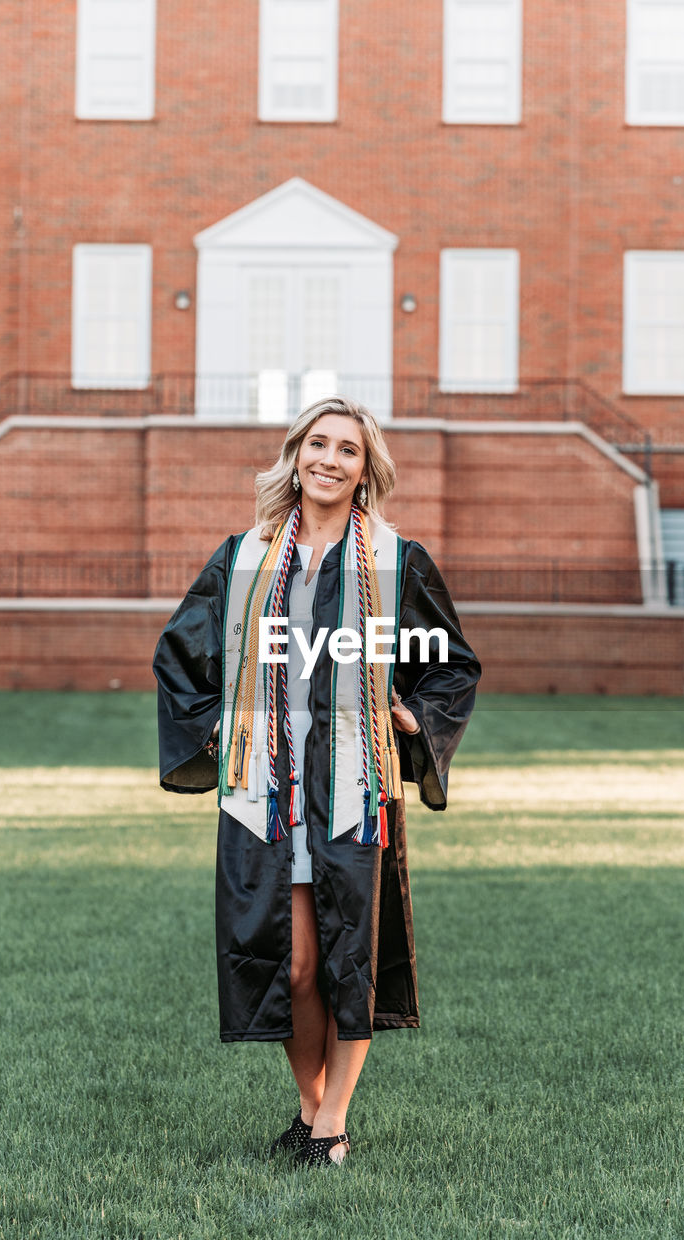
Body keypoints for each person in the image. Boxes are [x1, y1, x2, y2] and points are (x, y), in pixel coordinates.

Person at [153, 395, 480, 1167]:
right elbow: (180, 655)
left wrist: (416, 720)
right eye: (319, 445)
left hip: (353, 784)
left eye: (349, 451)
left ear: (367, 471)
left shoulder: (395, 560)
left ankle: (330, 1126)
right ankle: (311, 1111)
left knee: (348, 960)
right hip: (264, 784)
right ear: (296, 454)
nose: (330, 461)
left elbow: (451, 667)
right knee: (291, 962)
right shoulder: (243, 557)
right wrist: (211, 726)